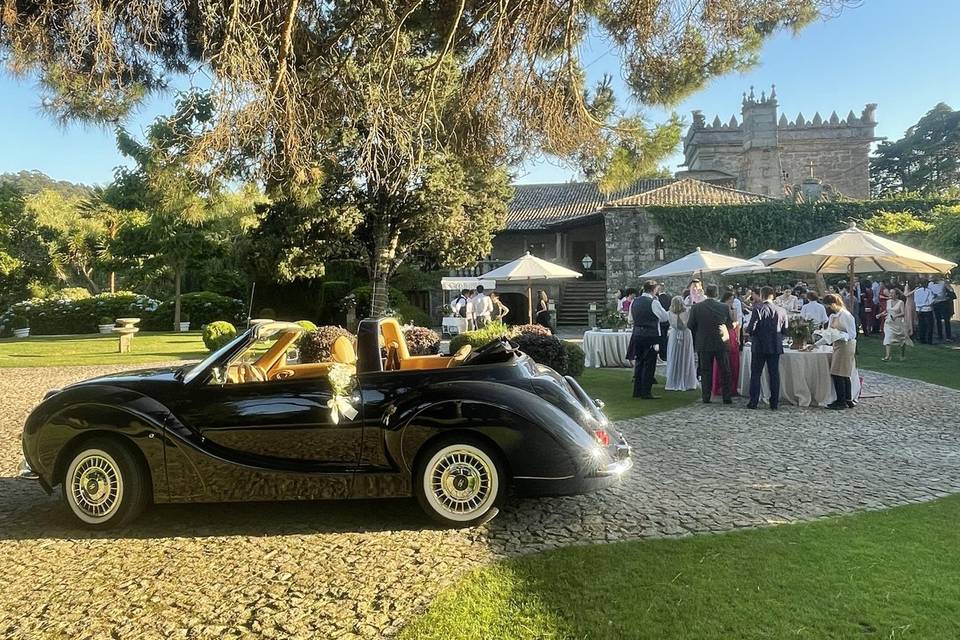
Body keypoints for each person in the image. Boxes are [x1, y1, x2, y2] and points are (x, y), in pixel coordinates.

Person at [687, 284, 733, 404]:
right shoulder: (723, 307)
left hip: (704, 341)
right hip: (720, 341)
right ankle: (726, 396)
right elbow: (729, 324)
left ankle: (706, 396)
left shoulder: (696, 307)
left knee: (705, 370)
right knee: (725, 370)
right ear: (717, 294)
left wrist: (700, 330)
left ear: (706, 293)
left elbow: (690, 325)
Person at [746, 286, 788, 410]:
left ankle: (753, 401)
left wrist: (750, 333)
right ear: (773, 295)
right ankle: (774, 402)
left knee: (756, 373)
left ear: (761, 295)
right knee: (774, 374)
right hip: (775, 344)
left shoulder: (757, 308)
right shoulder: (781, 310)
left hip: (759, 345)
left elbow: (752, 328)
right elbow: (785, 329)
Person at [628, 280, 670, 399]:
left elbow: (630, 319)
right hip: (651, 335)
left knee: (639, 361)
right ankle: (646, 392)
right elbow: (664, 318)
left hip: (637, 334)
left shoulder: (634, 302)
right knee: (649, 363)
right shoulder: (653, 302)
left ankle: (637, 391)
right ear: (653, 289)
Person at [823, 293, 857, 410]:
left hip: (846, 345)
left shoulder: (846, 315)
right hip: (837, 345)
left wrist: (839, 335)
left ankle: (842, 400)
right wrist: (816, 344)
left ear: (833, 304)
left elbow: (852, 334)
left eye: (829, 306)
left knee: (840, 373)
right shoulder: (833, 316)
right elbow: (828, 334)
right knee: (841, 372)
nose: (828, 308)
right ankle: (848, 399)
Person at [664, 296, 698, 391]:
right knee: (686, 356)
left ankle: (674, 379)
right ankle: (687, 380)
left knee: (674, 356)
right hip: (686, 334)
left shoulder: (669, 313)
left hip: (674, 335)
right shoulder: (687, 312)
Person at [712, 291, 742, 398]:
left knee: (733, 361)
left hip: (732, 335)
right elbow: (730, 324)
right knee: (724, 360)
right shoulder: (722, 308)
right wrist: (735, 324)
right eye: (731, 299)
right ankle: (721, 386)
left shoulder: (732, 309)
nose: (732, 301)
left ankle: (732, 387)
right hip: (726, 333)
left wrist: (738, 336)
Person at [879, 288, 912, 361]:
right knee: (888, 337)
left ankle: (902, 355)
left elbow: (903, 313)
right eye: (890, 293)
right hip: (888, 323)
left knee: (901, 339)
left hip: (897, 323)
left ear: (897, 295)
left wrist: (896, 316)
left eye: (892, 293)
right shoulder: (888, 302)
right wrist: (880, 314)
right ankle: (887, 356)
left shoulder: (901, 302)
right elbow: (887, 311)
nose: (890, 294)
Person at [931, 276, 955, 342]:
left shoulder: (943, 283)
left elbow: (951, 290)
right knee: (938, 320)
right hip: (935, 303)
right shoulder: (930, 284)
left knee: (946, 320)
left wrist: (948, 286)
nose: (931, 277)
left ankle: (948, 336)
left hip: (943, 303)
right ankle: (940, 335)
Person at [912, 279, 935, 344]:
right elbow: (931, 301)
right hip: (927, 309)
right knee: (930, 325)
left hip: (919, 310)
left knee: (921, 325)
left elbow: (915, 300)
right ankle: (929, 340)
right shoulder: (929, 291)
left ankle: (922, 339)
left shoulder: (916, 291)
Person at [657, 284, 672, 362]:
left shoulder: (657, 299)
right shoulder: (669, 297)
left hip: (660, 321)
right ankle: (665, 354)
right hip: (667, 320)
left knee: (661, 338)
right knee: (665, 337)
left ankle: (662, 354)